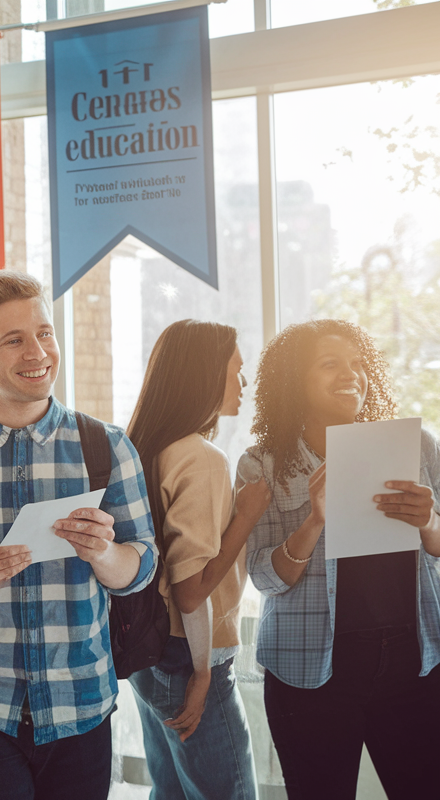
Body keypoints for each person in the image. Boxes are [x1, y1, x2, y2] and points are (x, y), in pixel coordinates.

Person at [0, 270, 157, 800]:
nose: (38, 351)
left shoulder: (107, 448)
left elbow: (142, 568)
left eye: (44, 332)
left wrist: (105, 554)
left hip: (81, 709)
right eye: (13, 340)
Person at [240, 319, 440, 800]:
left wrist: (430, 521)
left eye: (356, 364)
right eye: (329, 365)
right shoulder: (262, 464)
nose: (350, 375)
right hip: (311, 669)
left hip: (413, 661)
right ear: (295, 381)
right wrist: (313, 521)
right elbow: (265, 577)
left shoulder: (417, 447)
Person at [124, 320, 270, 800]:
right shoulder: (203, 458)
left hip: (148, 651)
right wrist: (245, 516)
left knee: (170, 790)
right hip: (188, 658)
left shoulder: (142, 449)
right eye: (238, 371)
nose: (244, 385)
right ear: (205, 375)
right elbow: (190, 588)